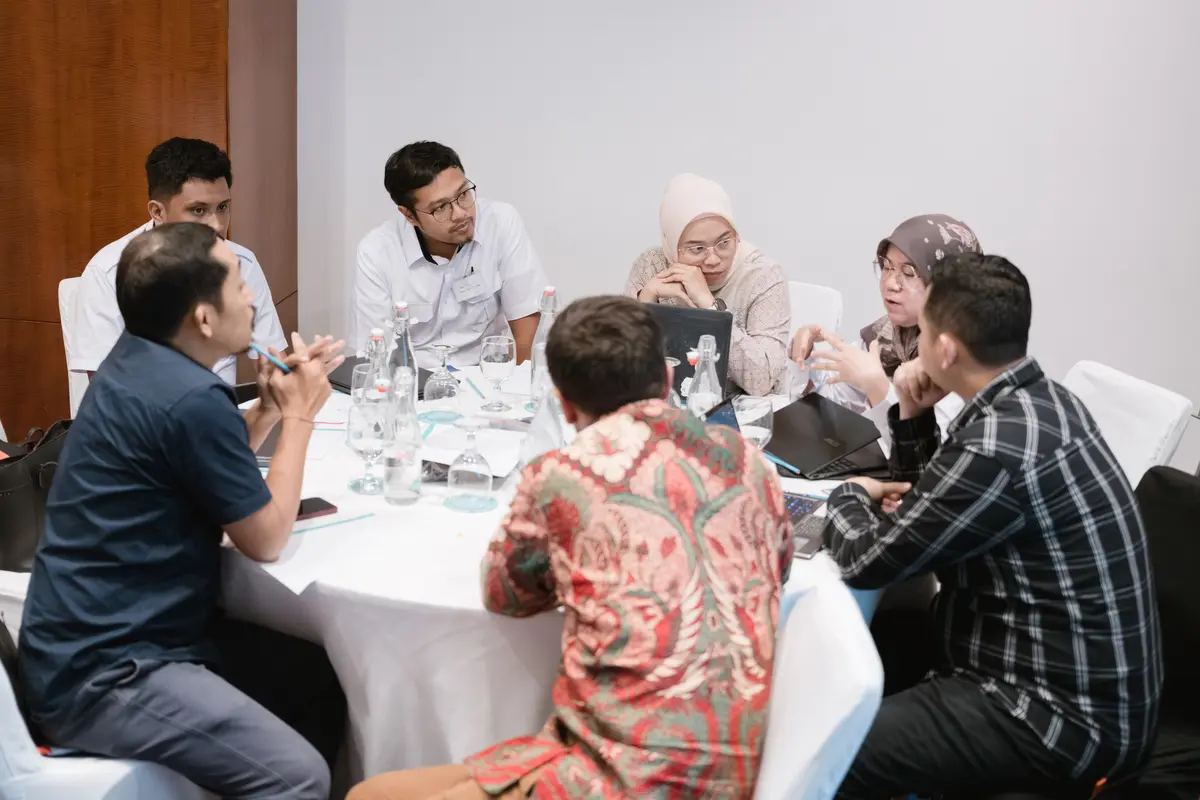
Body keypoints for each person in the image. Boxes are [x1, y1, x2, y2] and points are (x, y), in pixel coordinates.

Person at [347, 296, 794, 800]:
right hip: (741, 767)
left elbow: (506, 595)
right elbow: (778, 569)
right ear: (668, 378)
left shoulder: (564, 474)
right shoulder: (749, 461)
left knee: (366, 795)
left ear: (562, 403)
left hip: (620, 775)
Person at [19, 223, 348, 800]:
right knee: (299, 777)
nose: (251, 298)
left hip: (84, 641)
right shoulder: (191, 399)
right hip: (108, 673)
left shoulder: (138, 360)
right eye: (239, 285)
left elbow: (194, 453)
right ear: (203, 319)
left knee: (315, 677)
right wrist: (299, 416)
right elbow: (266, 538)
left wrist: (269, 409)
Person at [822, 253, 1162, 798]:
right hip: (1084, 690)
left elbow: (868, 561)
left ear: (945, 349)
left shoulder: (996, 446)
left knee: (826, 749)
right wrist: (914, 414)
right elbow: (933, 511)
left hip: (1055, 719)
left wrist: (848, 494)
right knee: (885, 642)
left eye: (923, 332)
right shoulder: (1045, 401)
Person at [70, 136, 286, 384]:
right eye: (198, 210)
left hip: (220, 406)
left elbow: (274, 364)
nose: (217, 225)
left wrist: (296, 382)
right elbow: (109, 390)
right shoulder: (108, 273)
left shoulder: (241, 263)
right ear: (158, 212)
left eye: (223, 207)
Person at [791, 214, 979, 449]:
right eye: (887, 267)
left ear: (947, 284)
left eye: (908, 272)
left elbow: (932, 455)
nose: (890, 283)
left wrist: (877, 387)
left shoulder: (968, 354)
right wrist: (807, 359)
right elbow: (830, 413)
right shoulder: (885, 336)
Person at [352, 141, 548, 366]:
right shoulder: (377, 252)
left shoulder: (500, 222)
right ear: (409, 215)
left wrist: (522, 381)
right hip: (415, 376)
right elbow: (375, 352)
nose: (461, 214)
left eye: (463, 194)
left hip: (488, 370)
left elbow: (526, 314)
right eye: (441, 208)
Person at [625, 173, 790, 396]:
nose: (713, 259)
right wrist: (646, 302)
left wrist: (709, 307)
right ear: (671, 245)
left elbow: (761, 381)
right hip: (666, 399)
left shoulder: (763, 275)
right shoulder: (652, 265)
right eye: (697, 249)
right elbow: (621, 367)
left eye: (724, 242)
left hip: (741, 405)